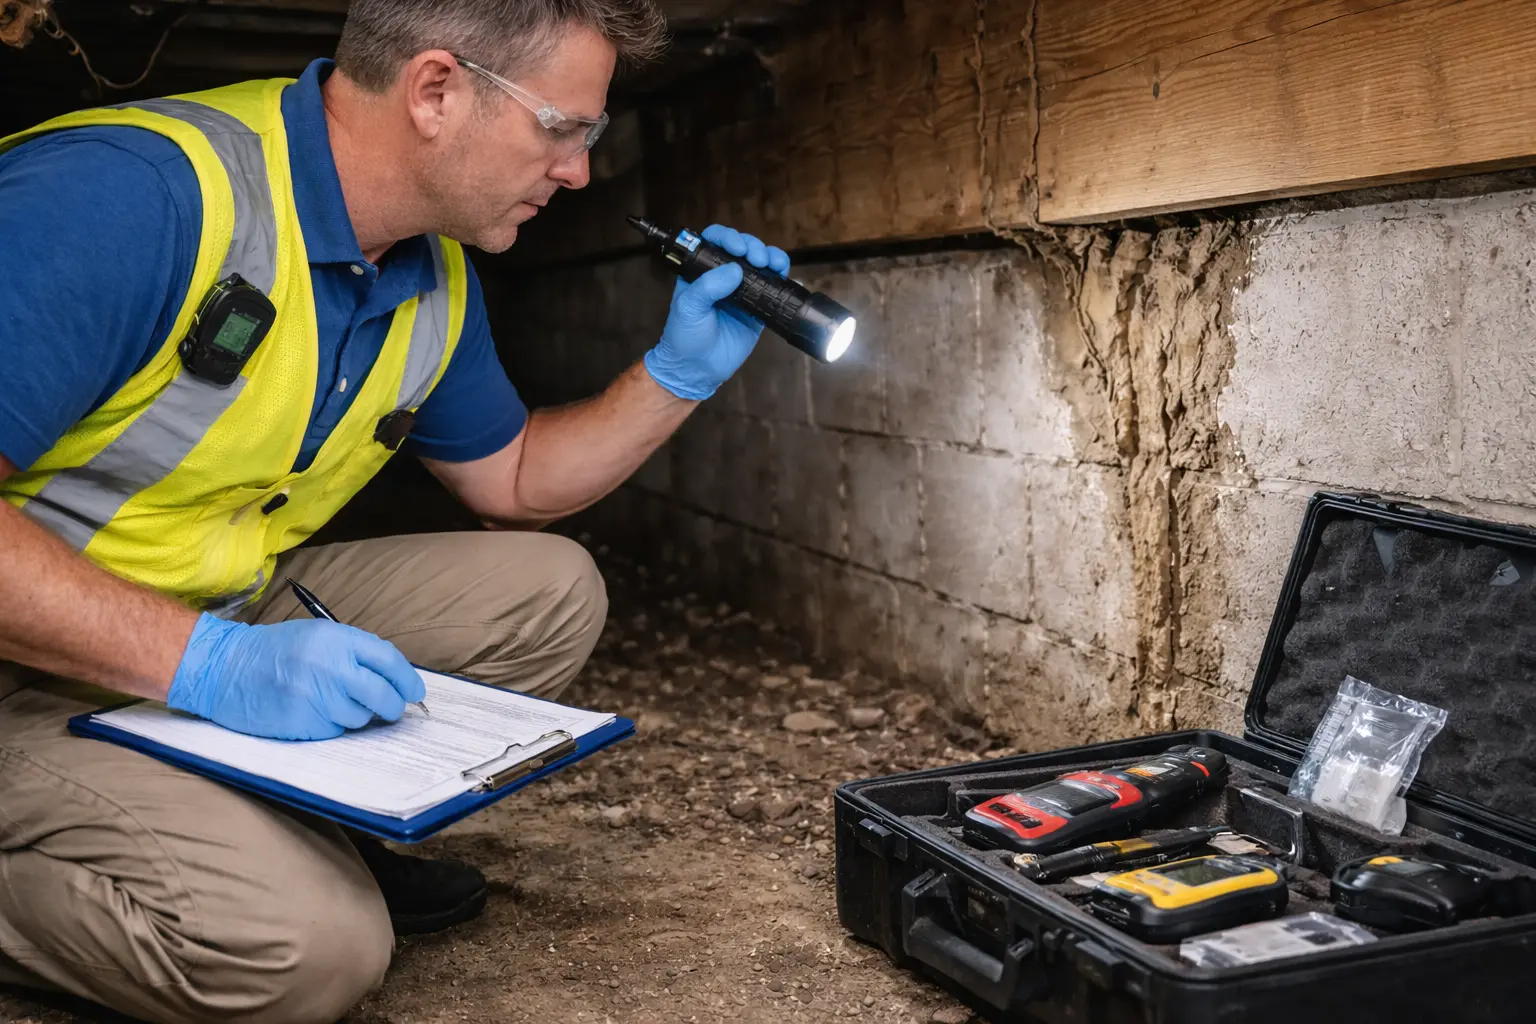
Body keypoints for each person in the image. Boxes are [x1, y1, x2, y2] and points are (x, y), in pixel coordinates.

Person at [0, 0, 790, 1020]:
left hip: (195, 606)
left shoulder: (425, 268)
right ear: (434, 90)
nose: (580, 172)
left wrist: (676, 375)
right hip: (31, 651)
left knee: (548, 593)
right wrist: (211, 666)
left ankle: (278, 816)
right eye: (565, 129)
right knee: (304, 949)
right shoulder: (134, 201)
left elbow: (512, 481)